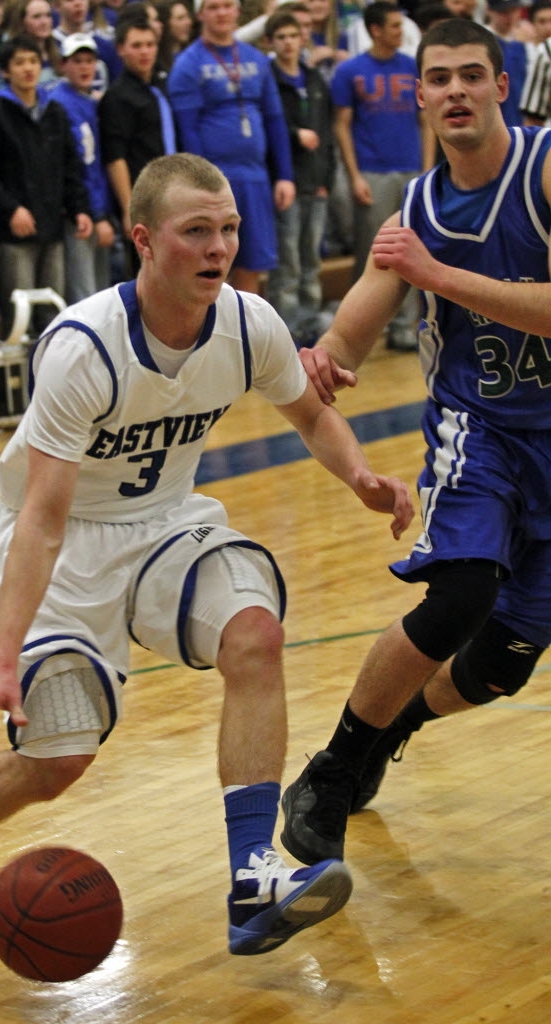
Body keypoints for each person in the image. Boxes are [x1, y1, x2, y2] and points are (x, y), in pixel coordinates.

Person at [0, 151, 414, 960]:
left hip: (163, 524)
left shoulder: (247, 319)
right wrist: (0, 662)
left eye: (226, 229)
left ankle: (253, 877)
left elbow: (309, 413)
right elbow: (45, 519)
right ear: (145, 239)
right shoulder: (83, 347)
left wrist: (360, 474)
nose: (218, 248)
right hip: (58, 546)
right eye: (197, 232)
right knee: (59, 759)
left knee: (254, 633)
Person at [279, 20, 551, 872]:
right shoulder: (416, 212)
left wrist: (435, 275)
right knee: (457, 597)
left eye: (473, 75)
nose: (456, 91)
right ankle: (330, 771)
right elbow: (358, 320)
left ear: (502, 87)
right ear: (422, 96)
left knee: (500, 666)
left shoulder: (543, 169)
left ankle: (390, 725)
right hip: (482, 435)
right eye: (440, 79)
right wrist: (326, 359)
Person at [0, 34, 93, 336]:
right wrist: (11, 210)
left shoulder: (55, 112)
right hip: (12, 232)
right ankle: (21, 380)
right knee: (19, 314)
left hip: (52, 226)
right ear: (5, 71)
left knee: (53, 313)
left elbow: (70, 166)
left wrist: (79, 209)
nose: (28, 69)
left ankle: (51, 379)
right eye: (19, 63)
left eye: (34, 61)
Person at [168, 0, 295, 295]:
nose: (222, 13)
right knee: (213, 263)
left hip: (256, 177)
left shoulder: (256, 59)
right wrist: (201, 183)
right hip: (216, 181)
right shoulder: (189, 64)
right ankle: (214, 334)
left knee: (252, 263)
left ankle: (245, 334)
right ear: (200, 14)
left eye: (227, 5)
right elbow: (187, 131)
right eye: (213, 7)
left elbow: (275, 121)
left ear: (238, 11)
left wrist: (285, 175)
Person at [329, 1, 423, 351]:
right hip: (371, 170)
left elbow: (424, 120)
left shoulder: (413, 67)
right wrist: (354, 175)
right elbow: (342, 125)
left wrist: (427, 168)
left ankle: (403, 328)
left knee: (412, 249)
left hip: (410, 167)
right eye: (395, 26)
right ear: (376, 30)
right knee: (374, 253)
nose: (402, 31)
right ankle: (360, 330)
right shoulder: (350, 71)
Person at [265, 7, 335, 345]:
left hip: (316, 182)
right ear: (271, 41)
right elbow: (270, 129)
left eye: (294, 36)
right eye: (281, 37)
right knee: (288, 261)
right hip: (286, 183)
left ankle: (310, 323)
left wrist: (328, 178)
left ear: (302, 38)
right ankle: (287, 327)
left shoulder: (315, 78)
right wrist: (295, 135)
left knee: (312, 258)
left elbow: (327, 132)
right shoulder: (269, 80)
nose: (289, 43)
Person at [98, 13, 175, 275]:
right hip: (144, 198)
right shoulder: (117, 97)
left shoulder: (160, 86)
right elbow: (115, 156)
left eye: (149, 45)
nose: (145, 52)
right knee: (147, 274)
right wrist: (129, 208)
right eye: (136, 45)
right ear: (121, 49)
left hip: (173, 193)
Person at [51, 32, 114, 300]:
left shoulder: (95, 101)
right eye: (77, 61)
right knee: (85, 292)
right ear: (64, 65)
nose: (85, 67)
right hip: (80, 211)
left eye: (90, 60)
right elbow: (76, 163)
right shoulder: (60, 104)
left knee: (102, 288)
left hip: (100, 206)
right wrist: (94, 213)